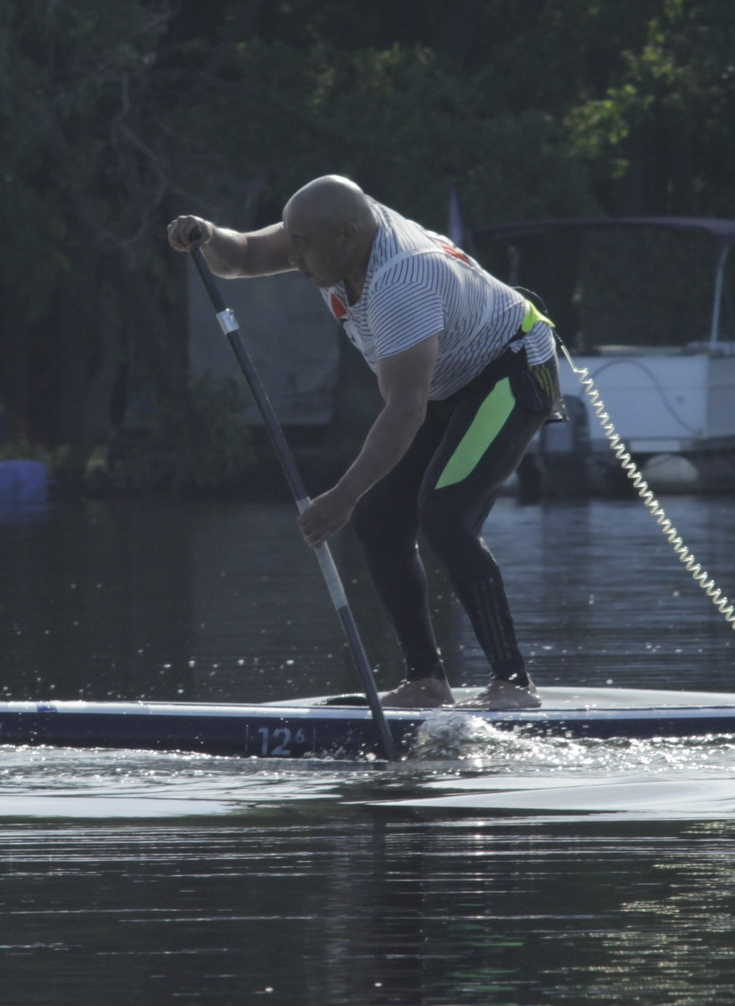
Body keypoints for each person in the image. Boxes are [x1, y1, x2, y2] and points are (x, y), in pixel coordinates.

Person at [168, 176, 557, 709]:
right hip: (443, 383)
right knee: (380, 521)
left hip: (509, 369)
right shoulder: (329, 233)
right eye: (292, 241)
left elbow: (405, 410)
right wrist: (209, 234)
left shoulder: (402, 282)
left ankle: (513, 684)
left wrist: (341, 496)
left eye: (303, 245)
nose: (293, 257)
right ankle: (426, 683)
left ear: (347, 235)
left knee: (446, 515)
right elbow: (243, 258)